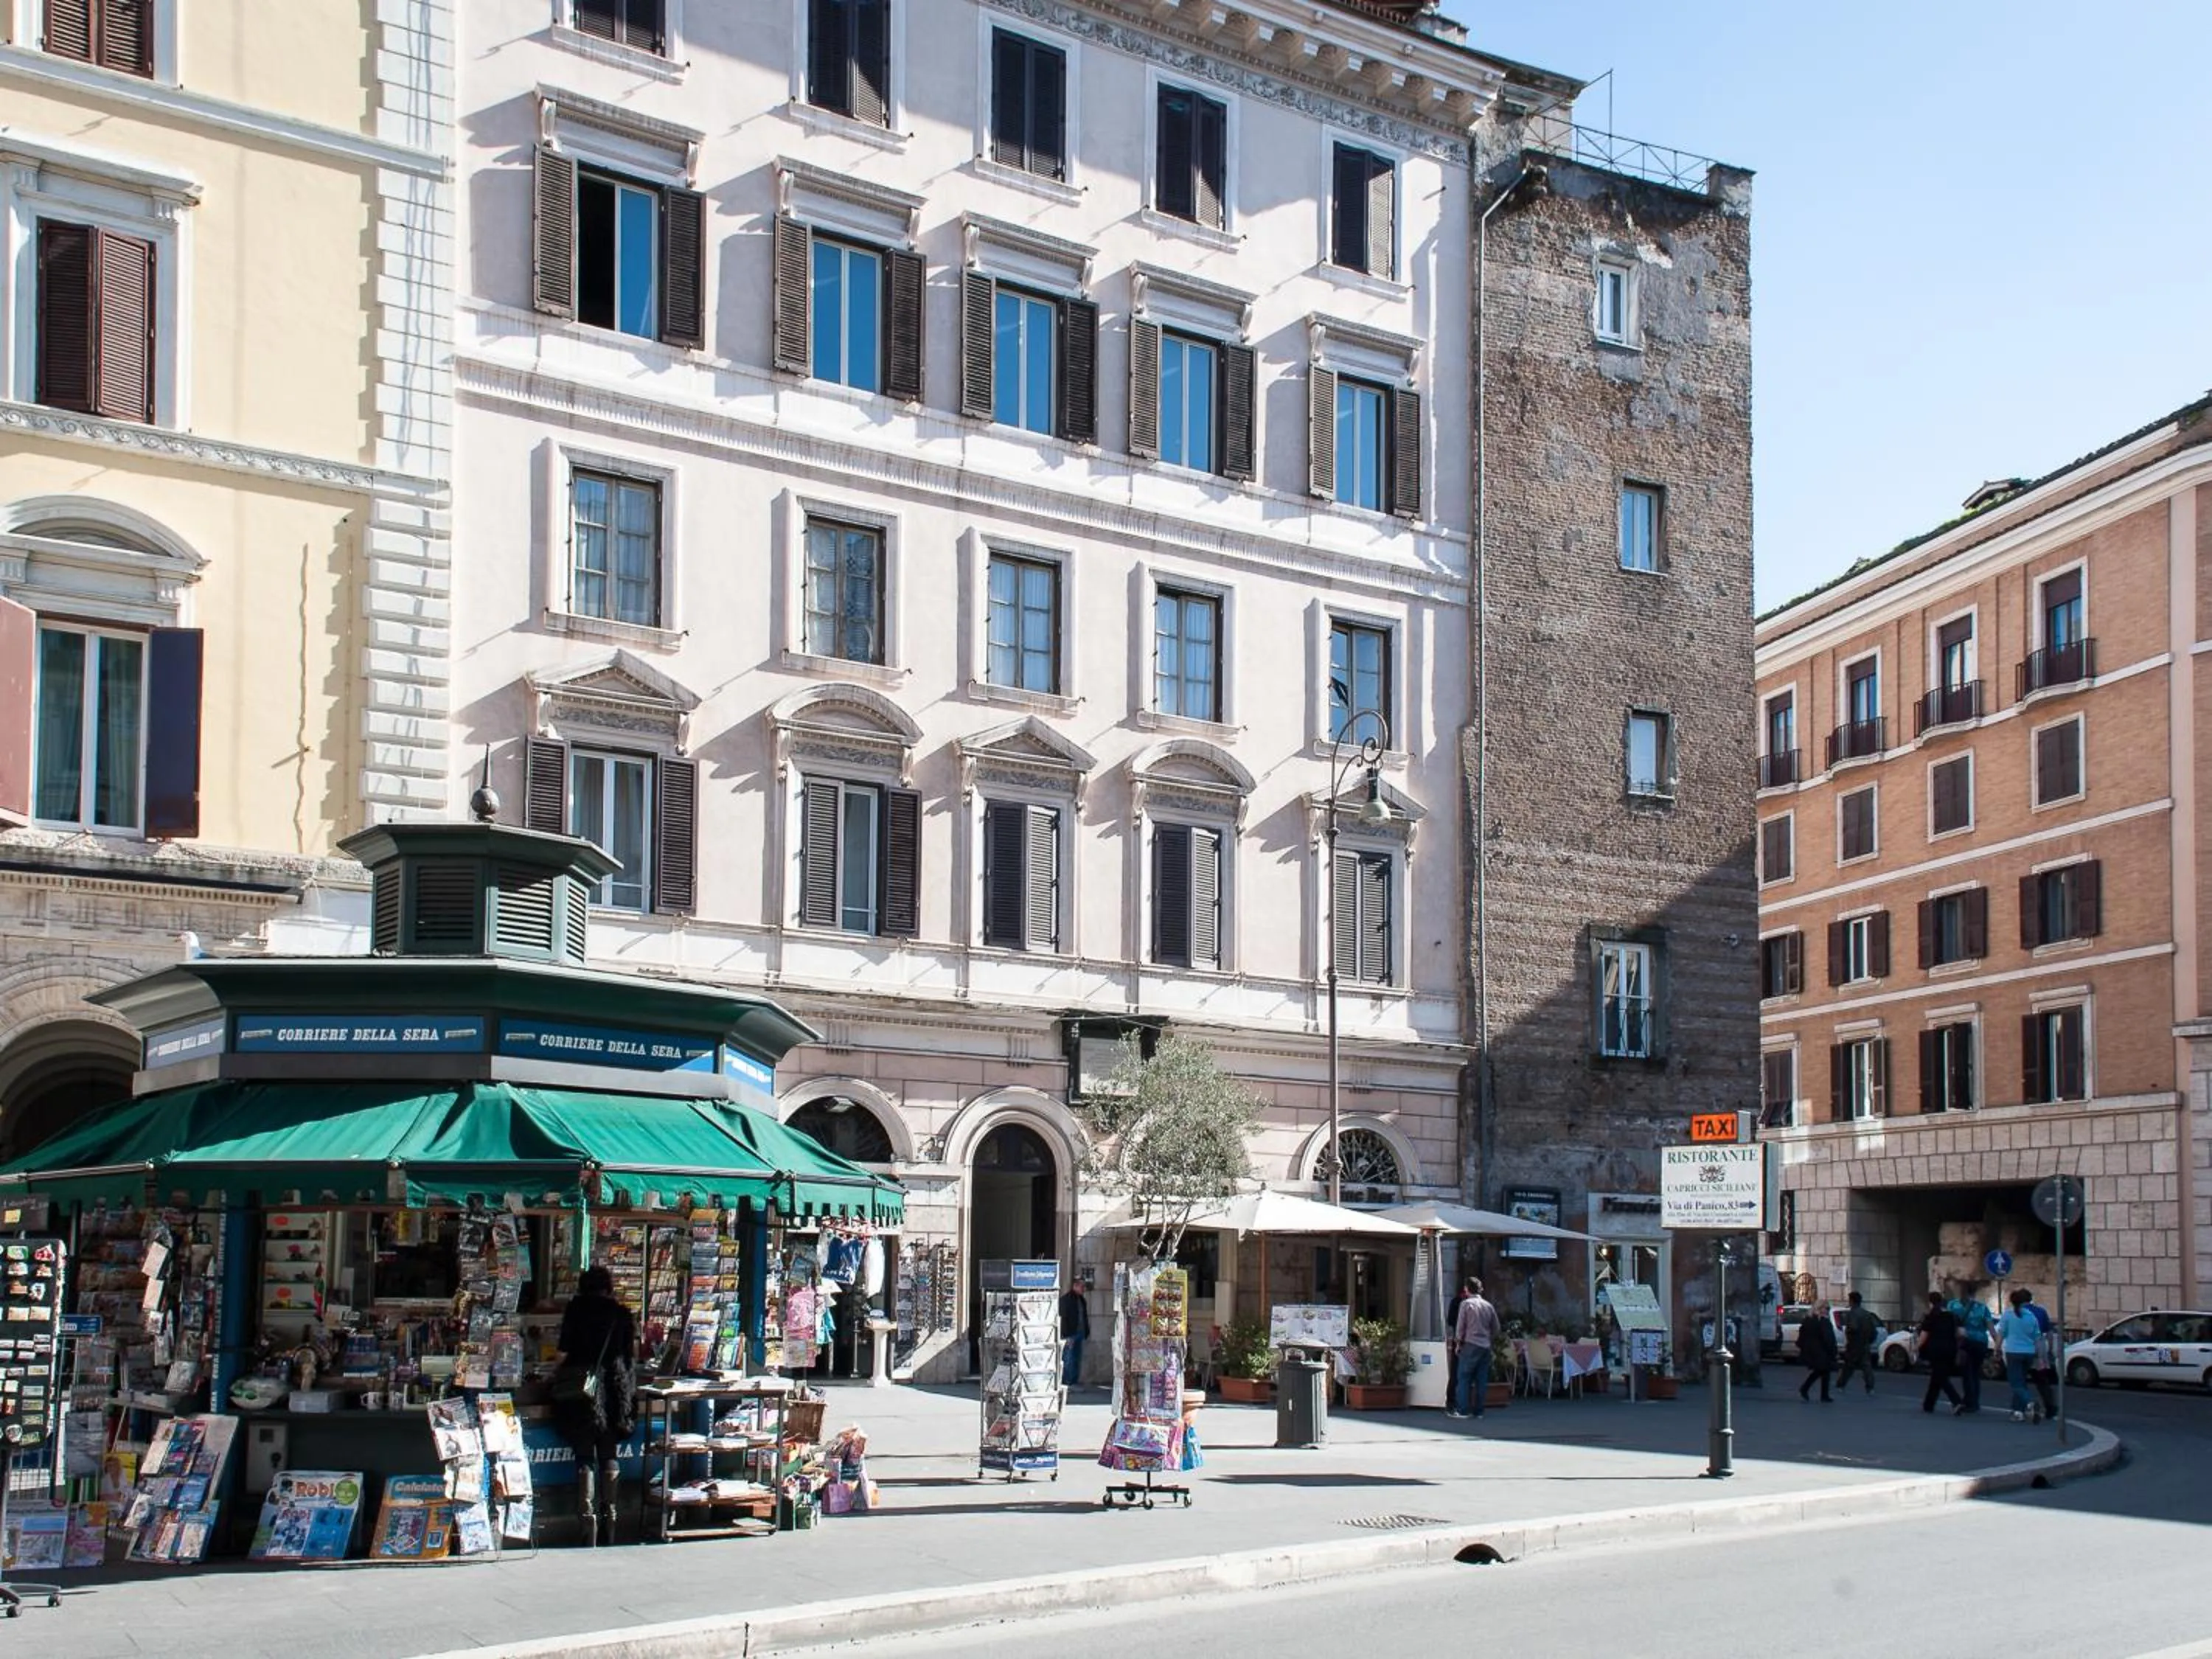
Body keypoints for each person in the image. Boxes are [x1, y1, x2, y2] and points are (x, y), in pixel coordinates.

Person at [555, 1265, 639, 1547]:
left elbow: (564, 1348)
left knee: (584, 1454)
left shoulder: (575, 1311)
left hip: (581, 1390)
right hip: (614, 1391)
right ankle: (611, 1520)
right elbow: (628, 1358)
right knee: (608, 1451)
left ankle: (587, 1523)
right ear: (609, 1287)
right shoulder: (621, 1315)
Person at [1449, 1278, 1501, 1419]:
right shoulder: (1488, 1306)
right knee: (1481, 1379)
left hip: (1470, 1344)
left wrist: (1458, 1343)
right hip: (1485, 1345)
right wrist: (1489, 1338)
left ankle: (1462, 1410)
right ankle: (1479, 1411)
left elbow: (1460, 1327)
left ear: (1467, 1289)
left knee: (1464, 1377)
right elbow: (1496, 1328)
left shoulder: (1466, 1305)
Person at [1997, 1287, 2042, 1420]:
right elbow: (2037, 1337)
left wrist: (1997, 1349)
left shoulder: (2008, 1315)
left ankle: (2030, 1403)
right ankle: (2018, 1411)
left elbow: (2001, 1333)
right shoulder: (2031, 1316)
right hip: (2029, 1352)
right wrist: (2039, 1355)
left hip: (2013, 1351)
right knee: (2021, 1382)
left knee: (2015, 1383)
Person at [1916, 1291, 1964, 1414]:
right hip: (1950, 1349)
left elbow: (1924, 1335)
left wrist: (1916, 1348)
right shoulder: (1953, 1316)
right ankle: (1928, 1404)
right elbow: (1961, 1334)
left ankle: (1956, 1401)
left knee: (1941, 1377)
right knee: (1937, 1376)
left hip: (1935, 1350)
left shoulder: (1931, 1316)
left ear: (1931, 1302)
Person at [1950, 1292, 1994, 1414]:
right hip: (1981, 1342)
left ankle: (1970, 1401)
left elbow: (1950, 1323)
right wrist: (1997, 1345)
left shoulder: (1954, 1305)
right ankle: (1975, 1401)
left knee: (1967, 1373)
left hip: (1965, 1342)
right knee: (1975, 1373)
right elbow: (1991, 1327)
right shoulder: (1982, 1307)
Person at [2025, 1291, 2061, 1420]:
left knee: (2019, 1380)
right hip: (2039, 1350)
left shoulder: (2017, 1312)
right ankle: (2050, 1408)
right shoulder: (2041, 1312)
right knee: (2042, 1380)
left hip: (2022, 1349)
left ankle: (2024, 1407)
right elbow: (2049, 1332)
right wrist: (2050, 1350)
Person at [1837, 1291, 1880, 1395]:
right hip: (1865, 1343)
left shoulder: (1852, 1314)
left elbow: (1853, 1327)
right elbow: (1874, 1331)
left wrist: (1850, 1337)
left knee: (1848, 1366)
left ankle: (1841, 1385)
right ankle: (1870, 1387)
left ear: (1852, 1301)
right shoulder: (1867, 1314)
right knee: (1866, 1366)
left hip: (1854, 1344)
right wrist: (1868, 1341)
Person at [1796, 1300, 1837, 1402]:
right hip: (1822, 1351)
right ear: (1821, 1309)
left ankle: (1822, 1394)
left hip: (1811, 1350)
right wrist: (1833, 1351)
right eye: (1827, 1308)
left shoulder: (1808, 1320)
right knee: (1822, 1370)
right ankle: (1808, 1389)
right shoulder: (1824, 1322)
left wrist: (1803, 1347)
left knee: (1823, 1371)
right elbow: (1829, 1338)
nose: (1828, 1310)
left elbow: (1802, 1336)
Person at [1059, 1281, 1091, 1388]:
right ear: (1075, 1287)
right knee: (1069, 1358)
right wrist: (1066, 1335)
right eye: (1081, 1287)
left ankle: (1074, 1381)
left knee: (1077, 1358)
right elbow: (1064, 1318)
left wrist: (1086, 1331)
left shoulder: (1082, 1300)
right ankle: (1067, 1381)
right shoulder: (1066, 1300)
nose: (1083, 1289)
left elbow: (1084, 1317)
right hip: (1070, 1334)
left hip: (1080, 1332)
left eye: (1084, 1287)